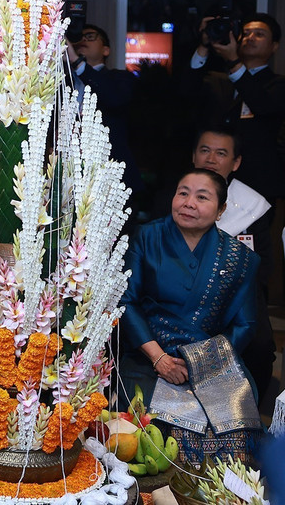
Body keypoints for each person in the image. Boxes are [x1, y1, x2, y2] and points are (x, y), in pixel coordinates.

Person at [119, 169, 262, 463]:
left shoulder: (239, 258)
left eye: (202, 197)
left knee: (236, 419)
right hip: (148, 357)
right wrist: (159, 358)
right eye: (182, 193)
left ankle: (222, 485)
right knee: (157, 424)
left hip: (212, 362)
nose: (188, 203)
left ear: (221, 210)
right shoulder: (147, 237)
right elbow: (126, 302)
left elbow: (245, 324)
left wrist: (199, 362)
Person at [190, 127, 276, 404]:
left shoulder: (252, 206)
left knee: (261, 346)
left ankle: (248, 413)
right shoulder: (176, 198)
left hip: (239, 296)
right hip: (182, 292)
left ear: (235, 162)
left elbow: (264, 264)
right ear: (194, 156)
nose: (211, 159)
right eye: (205, 150)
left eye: (221, 153)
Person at [185, 13, 284, 204]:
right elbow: (185, 92)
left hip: (257, 183)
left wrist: (234, 61)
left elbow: (262, 106)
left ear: (274, 46)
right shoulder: (219, 80)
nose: (250, 38)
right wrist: (204, 46)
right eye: (245, 33)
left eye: (259, 34)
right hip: (209, 180)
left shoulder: (277, 85)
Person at [67, 23, 141, 194]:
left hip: (110, 178)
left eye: (90, 37)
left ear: (106, 50)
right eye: (78, 38)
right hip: (69, 172)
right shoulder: (63, 79)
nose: (83, 40)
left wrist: (77, 62)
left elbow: (115, 98)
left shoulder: (120, 78)